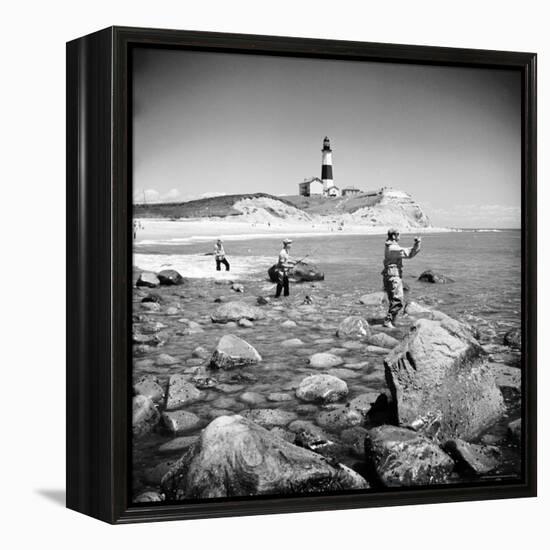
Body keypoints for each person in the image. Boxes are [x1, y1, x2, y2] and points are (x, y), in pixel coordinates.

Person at [382, 228, 421, 328]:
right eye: (398, 234)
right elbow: (409, 253)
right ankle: (388, 321)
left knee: (393, 300)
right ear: (394, 236)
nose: (400, 236)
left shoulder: (389, 246)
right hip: (393, 277)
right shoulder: (393, 248)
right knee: (398, 300)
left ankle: (392, 321)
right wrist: (417, 244)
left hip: (389, 276)